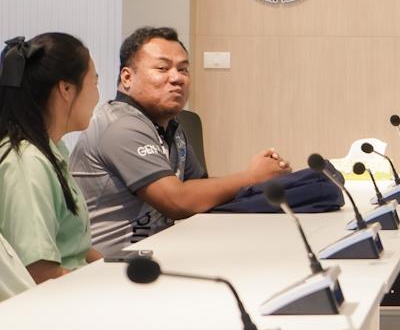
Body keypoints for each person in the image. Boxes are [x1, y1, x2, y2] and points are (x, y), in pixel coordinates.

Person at [70, 27, 291, 255]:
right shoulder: (121, 125)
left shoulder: (170, 126)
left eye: (183, 69)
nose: (177, 78)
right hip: (107, 267)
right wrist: (252, 177)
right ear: (127, 77)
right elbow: (177, 201)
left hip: (152, 257)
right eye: (162, 68)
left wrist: (265, 177)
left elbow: (200, 191)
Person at [0, 34, 102, 283]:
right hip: (54, 300)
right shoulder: (27, 164)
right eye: (95, 83)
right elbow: (39, 272)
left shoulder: (51, 149)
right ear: (66, 89)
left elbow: (77, 247)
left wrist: (112, 272)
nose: (98, 96)